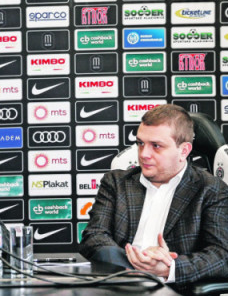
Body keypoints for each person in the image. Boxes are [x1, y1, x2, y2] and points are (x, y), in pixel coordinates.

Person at [80, 104, 228, 286]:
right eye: (140, 143)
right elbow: (94, 236)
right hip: (117, 288)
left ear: (184, 151)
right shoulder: (116, 183)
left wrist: (169, 267)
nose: (144, 154)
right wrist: (136, 263)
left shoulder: (210, 189)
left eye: (156, 146)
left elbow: (221, 255)